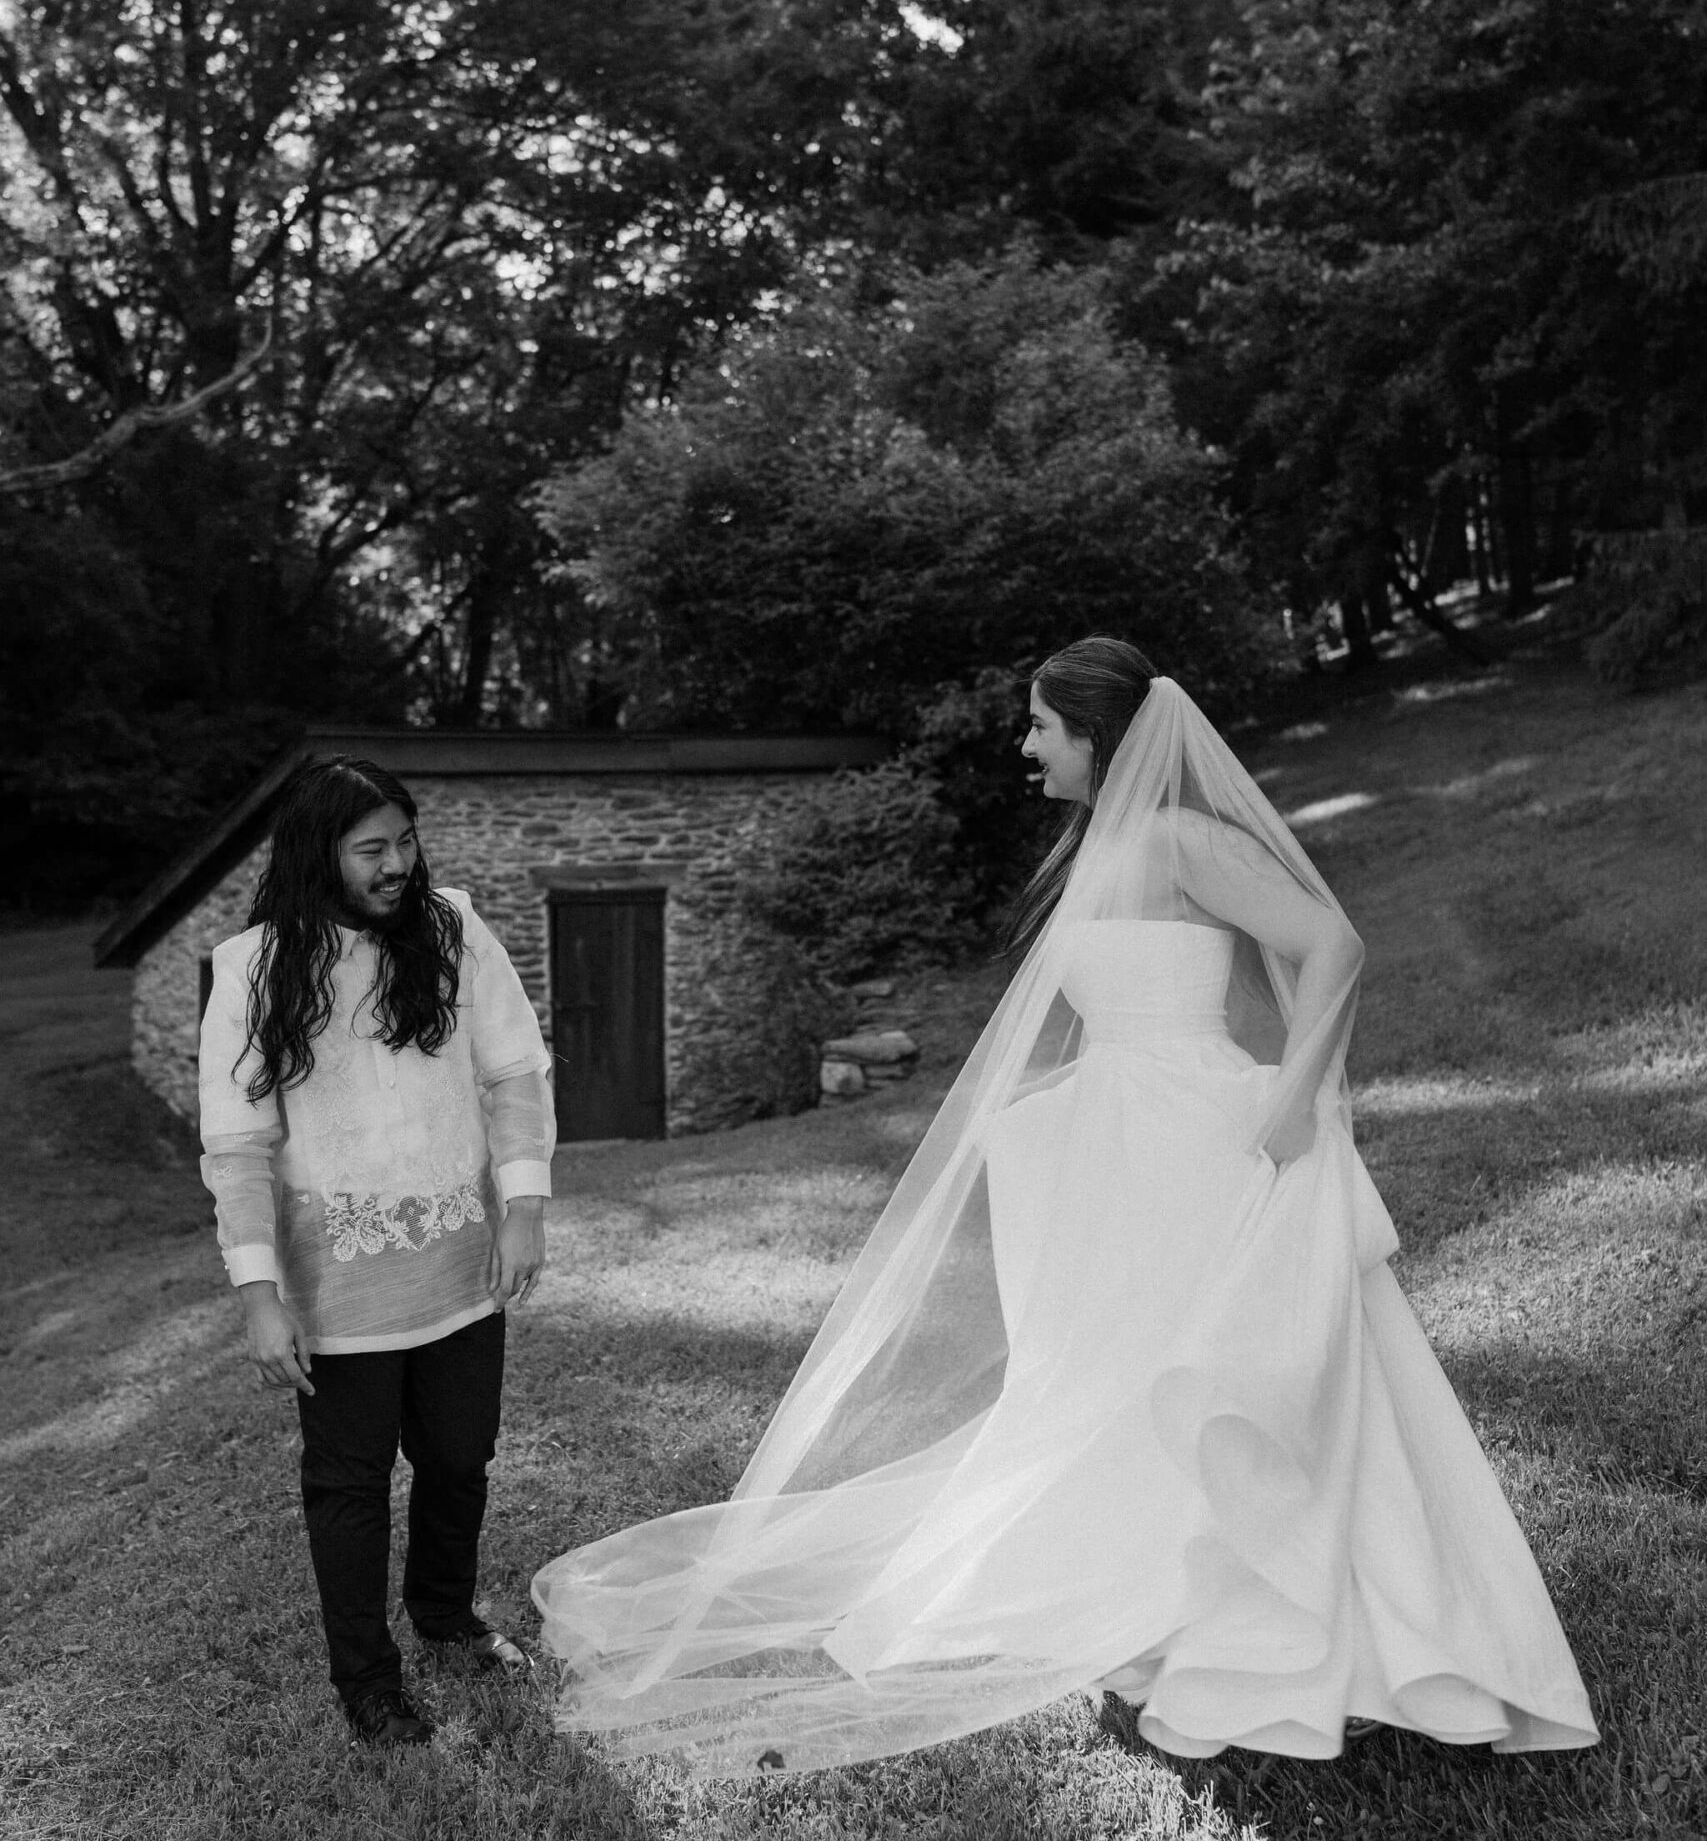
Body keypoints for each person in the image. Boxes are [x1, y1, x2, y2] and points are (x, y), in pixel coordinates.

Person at [532, 639, 1596, 1773]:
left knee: (1217, 1362)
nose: (1025, 745)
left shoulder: (1187, 839)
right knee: (1118, 1368)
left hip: (1201, 1133)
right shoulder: (1099, 851)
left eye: (1042, 725)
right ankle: (1154, 1597)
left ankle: (1324, 1617)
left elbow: (1332, 943)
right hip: (1122, 1143)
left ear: (1099, 735)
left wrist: (1292, 1105)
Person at [199, 756, 556, 1749]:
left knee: (459, 1458)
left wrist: (523, 1204)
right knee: (348, 1488)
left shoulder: (451, 930)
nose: (398, 862)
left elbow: (515, 1070)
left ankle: (444, 1616)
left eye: (405, 840)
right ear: (322, 852)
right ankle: (368, 1680)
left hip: (460, 1267)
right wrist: (259, 1293)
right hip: (335, 1289)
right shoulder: (254, 970)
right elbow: (238, 1146)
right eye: (373, 848)